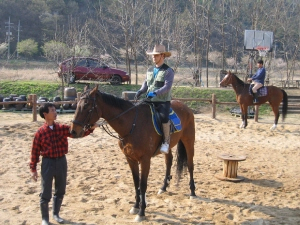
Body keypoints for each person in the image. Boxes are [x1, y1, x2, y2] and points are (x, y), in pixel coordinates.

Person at [29, 103, 98, 225]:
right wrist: (33, 169)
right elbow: (34, 152)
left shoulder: (61, 128)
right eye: (52, 110)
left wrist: (91, 129)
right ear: (45, 114)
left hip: (61, 161)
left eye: (55, 110)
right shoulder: (40, 133)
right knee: (45, 192)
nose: (55, 112)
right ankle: (45, 219)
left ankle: (56, 214)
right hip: (47, 163)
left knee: (60, 190)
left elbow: (77, 134)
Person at [134, 44, 174, 154]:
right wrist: (141, 91)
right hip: (149, 100)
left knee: (164, 117)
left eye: (156, 55)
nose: (153, 57)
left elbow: (167, 87)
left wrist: (156, 92)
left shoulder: (168, 71)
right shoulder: (150, 69)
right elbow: (146, 83)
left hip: (162, 101)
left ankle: (166, 142)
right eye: (153, 55)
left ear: (162, 56)